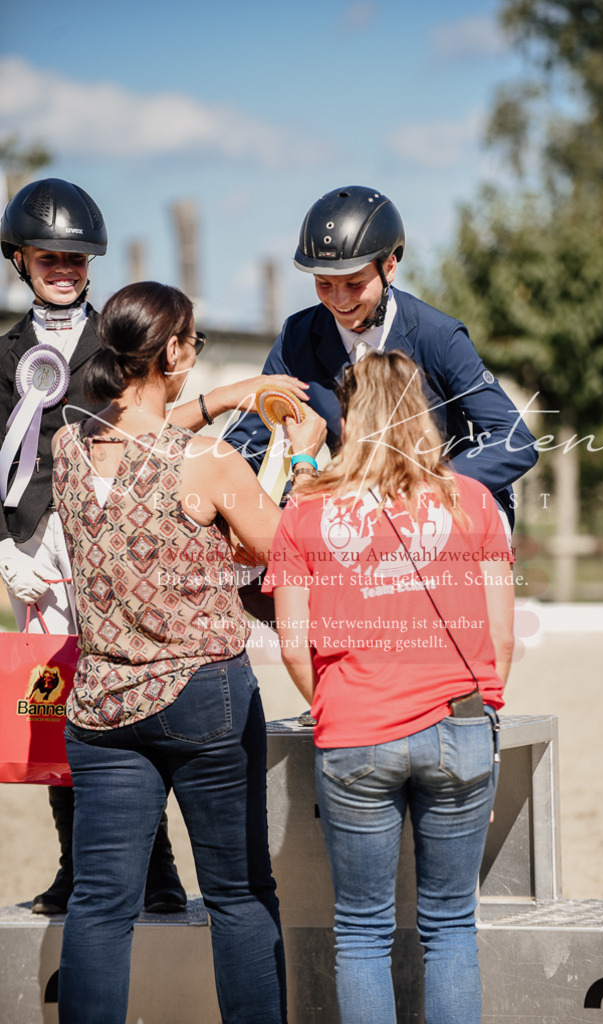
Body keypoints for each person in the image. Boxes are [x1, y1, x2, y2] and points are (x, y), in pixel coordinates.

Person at [51, 280, 324, 1024]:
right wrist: (298, 459)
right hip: (203, 694)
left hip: (103, 706)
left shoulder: (68, 445)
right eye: (193, 342)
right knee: (238, 896)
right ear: (172, 351)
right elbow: (283, 549)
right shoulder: (204, 461)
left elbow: (139, 431)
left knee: (102, 904)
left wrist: (228, 395)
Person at [264, 351, 515, 1024]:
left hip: (357, 730)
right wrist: (485, 728)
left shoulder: (306, 511)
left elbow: (293, 644)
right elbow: (502, 637)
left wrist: (335, 702)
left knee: (364, 932)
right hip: (460, 725)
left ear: (350, 415)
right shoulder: (474, 500)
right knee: (451, 927)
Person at [0, 177, 184, 914]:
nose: (65, 269)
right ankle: (77, 865)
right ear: (20, 259)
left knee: (127, 701)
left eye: (76, 259)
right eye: (50, 257)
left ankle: (160, 870)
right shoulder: (5, 352)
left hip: (110, 545)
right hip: (31, 548)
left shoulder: (119, 339)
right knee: (54, 711)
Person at [226, 185, 538, 530]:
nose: (339, 300)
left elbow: (514, 440)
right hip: (353, 513)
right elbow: (246, 443)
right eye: (324, 284)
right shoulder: (296, 338)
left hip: (442, 510)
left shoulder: (439, 336)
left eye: (354, 283)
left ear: (389, 268)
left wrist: (426, 489)